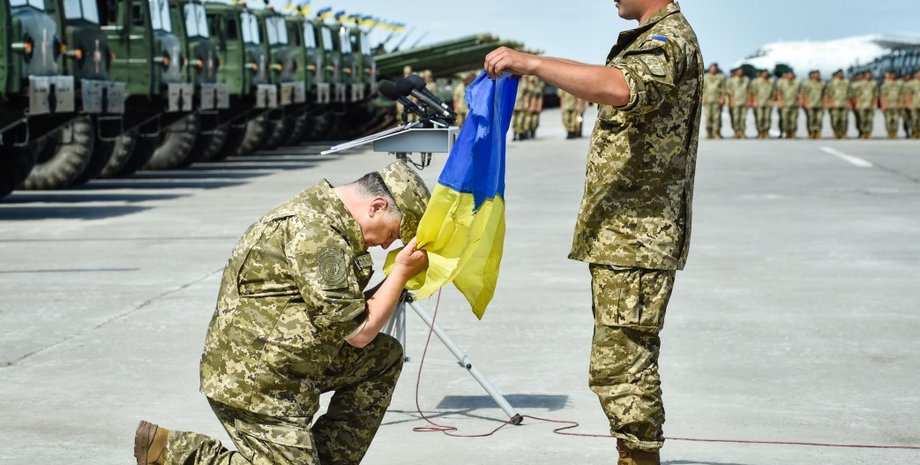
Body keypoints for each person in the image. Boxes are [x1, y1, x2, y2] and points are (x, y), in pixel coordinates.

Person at [484, 1, 702, 464]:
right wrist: (534, 64)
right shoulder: (649, 38)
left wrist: (532, 63)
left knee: (622, 367)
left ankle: (639, 458)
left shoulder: (668, 40)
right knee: (618, 362)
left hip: (639, 236)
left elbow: (620, 87)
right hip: (624, 236)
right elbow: (605, 74)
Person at [133, 161, 431, 465]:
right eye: (393, 234)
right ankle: (179, 454)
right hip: (256, 380)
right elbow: (358, 332)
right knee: (370, 344)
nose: (386, 244)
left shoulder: (327, 219)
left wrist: (398, 280)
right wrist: (402, 272)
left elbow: (345, 310)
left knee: (382, 356)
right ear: (377, 206)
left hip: (292, 361)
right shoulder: (317, 234)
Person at [773, 69, 801, 139]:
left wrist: (800, 101)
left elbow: (800, 93)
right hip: (784, 105)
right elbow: (778, 93)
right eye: (788, 74)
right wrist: (779, 102)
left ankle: (792, 133)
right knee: (784, 120)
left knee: (793, 120)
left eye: (791, 74)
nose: (790, 75)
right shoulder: (781, 82)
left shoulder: (797, 82)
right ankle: (784, 132)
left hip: (794, 104)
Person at [824, 69, 851, 139]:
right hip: (834, 104)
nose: (841, 75)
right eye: (839, 74)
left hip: (844, 104)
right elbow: (827, 94)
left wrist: (849, 103)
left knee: (844, 120)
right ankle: (836, 132)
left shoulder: (847, 82)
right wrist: (828, 103)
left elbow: (849, 94)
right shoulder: (832, 83)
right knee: (835, 120)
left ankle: (844, 133)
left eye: (842, 73)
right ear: (836, 75)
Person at [748, 68, 774, 139]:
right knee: (759, 118)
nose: (765, 74)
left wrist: (772, 102)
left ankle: (766, 132)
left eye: (766, 73)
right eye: (764, 73)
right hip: (759, 102)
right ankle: (760, 131)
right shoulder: (756, 82)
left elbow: (774, 93)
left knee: (767, 118)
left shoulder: (771, 81)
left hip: (768, 102)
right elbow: (753, 93)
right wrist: (753, 102)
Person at [725, 67, 750, 138]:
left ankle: (742, 131)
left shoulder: (746, 80)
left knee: (743, 118)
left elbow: (749, 91)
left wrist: (749, 101)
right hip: (735, 101)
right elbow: (730, 92)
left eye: (741, 71)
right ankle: (736, 131)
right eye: (739, 71)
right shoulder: (732, 80)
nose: (740, 72)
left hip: (744, 101)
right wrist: (731, 102)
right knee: (735, 118)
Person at [800, 70, 826, 139]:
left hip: (819, 104)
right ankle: (811, 132)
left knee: (819, 119)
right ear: (811, 75)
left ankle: (818, 132)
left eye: (818, 74)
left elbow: (825, 94)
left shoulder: (822, 83)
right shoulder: (806, 84)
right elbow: (803, 94)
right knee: (811, 119)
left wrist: (825, 103)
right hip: (810, 104)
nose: (818, 76)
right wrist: (803, 103)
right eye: (816, 74)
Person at [702, 62, 725, 139]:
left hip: (717, 100)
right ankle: (709, 132)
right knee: (708, 117)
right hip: (707, 100)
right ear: (709, 69)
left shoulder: (721, 77)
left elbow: (723, 89)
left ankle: (717, 132)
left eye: (714, 68)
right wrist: (703, 98)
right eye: (712, 68)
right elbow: (703, 89)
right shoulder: (705, 77)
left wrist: (722, 98)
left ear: (717, 69)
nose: (713, 69)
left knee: (717, 117)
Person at [879, 70, 903, 139]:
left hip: (895, 104)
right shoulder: (884, 85)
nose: (892, 76)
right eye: (891, 74)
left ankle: (894, 133)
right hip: (888, 104)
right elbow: (883, 96)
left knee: (896, 120)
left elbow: (900, 95)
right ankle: (889, 133)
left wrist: (900, 103)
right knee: (888, 120)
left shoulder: (898, 84)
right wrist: (883, 105)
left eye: (894, 74)